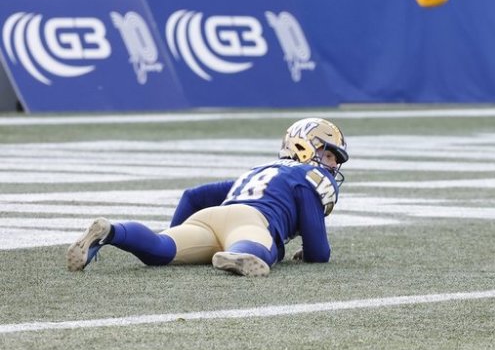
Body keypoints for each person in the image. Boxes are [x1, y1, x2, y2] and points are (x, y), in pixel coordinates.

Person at [67, 118, 349, 277]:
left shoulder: (258, 171)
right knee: (260, 247)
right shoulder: (306, 179)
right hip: (250, 221)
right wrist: (308, 254)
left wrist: (175, 230)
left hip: (209, 219)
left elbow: (193, 195)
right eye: (327, 155)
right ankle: (241, 253)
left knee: (162, 249)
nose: (332, 165)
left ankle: (111, 232)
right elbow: (320, 253)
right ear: (302, 147)